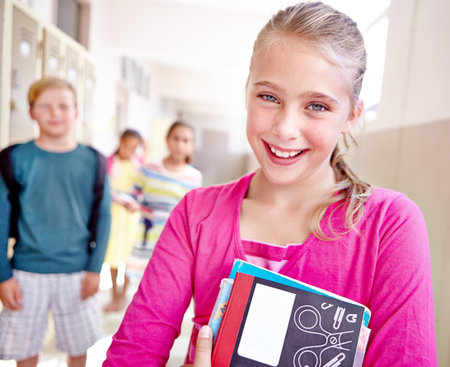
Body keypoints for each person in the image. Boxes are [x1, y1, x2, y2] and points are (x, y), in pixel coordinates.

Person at [104, 2, 437, 366]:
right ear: (247, 91)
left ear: (352, 115)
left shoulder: (389, 225)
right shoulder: (196, 214)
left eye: (317, 106)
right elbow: (133, 352)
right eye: (269, 97)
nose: (284, 128)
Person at [0, 77, 111, 367]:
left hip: (78, 273)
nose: (55, 112)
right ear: (31, 112)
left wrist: (94, 268)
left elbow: (104, 218)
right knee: (25, 350)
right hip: (24, 273)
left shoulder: (94, 161)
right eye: (45, 106)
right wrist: (3, 274)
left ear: (76, 113)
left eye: (63, 106)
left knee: (78, 347)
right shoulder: (13, 158)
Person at [125, 121, 202, 280]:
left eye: (185, 140)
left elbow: (192, 213)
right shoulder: (149, 168)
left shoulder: (194, 177)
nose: (180, 144)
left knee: (162, 281)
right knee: (140, 279)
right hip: (146, 235)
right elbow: (134, 195)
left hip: (174, 240)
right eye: (176, 138)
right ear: (167, 140)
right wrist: (132, 205)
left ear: (192, 145)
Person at [103, 129, 144, 312]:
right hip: (114, 214)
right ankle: (113, 295)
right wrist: (119, 200)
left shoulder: (140, 165)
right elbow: (104, 188)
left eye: (133, 148)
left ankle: (123, 295)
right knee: (113, 256)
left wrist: (136, 203)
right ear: (119, 142)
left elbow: (143, 189)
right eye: (126, 145)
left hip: (131, 218)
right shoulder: (109, 162)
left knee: (128, 257)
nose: (128, 150)